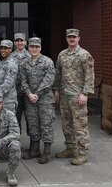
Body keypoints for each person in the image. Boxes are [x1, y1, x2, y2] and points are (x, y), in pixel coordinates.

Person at [53, 28, 94, 165]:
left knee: (80, 125)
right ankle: (71, 148)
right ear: (66, 38)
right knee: (67, 124)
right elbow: (58, 73)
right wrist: (56, 89)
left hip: (77, 96)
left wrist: (85, 93)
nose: (71, 39)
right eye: (69, 37)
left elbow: (89, 76)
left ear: (78, 39)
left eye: (74, 37)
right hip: (64, 95)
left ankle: (83, 153)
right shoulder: (62, 55)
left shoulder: (84, 55)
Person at [20, 37, 56, 164]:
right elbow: (22, 80)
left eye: (36, 47)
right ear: (28, 48)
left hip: (45, 99)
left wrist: (37, 94)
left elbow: (49, 80)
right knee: (33, 124)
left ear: (40, 48)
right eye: (31, 47)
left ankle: (47, 152)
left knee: (46, 124)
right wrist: (29, 93)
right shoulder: (25, 62)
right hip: (30, 99)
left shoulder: (47, 62)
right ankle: (34, 150)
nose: (34, 49)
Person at [11, 32, 30, 134]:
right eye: (17, 41)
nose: (19, 43)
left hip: (29, 92)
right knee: (16, 117)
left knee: (30, 118)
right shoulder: (10, 56)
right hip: (15, 92)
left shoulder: (31, 55)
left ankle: (33, 144)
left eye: (21, 40)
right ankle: (16, 142)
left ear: (25, 42)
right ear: (14, 43)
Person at [0, 39, 18, 113]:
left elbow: (8, 84)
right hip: (0, 99)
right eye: (1, 48)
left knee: (8, 123)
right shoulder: (2, 62)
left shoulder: (11, 64)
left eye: (5, 48)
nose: (3, 50)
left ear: (10, 49)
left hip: (8, 101)